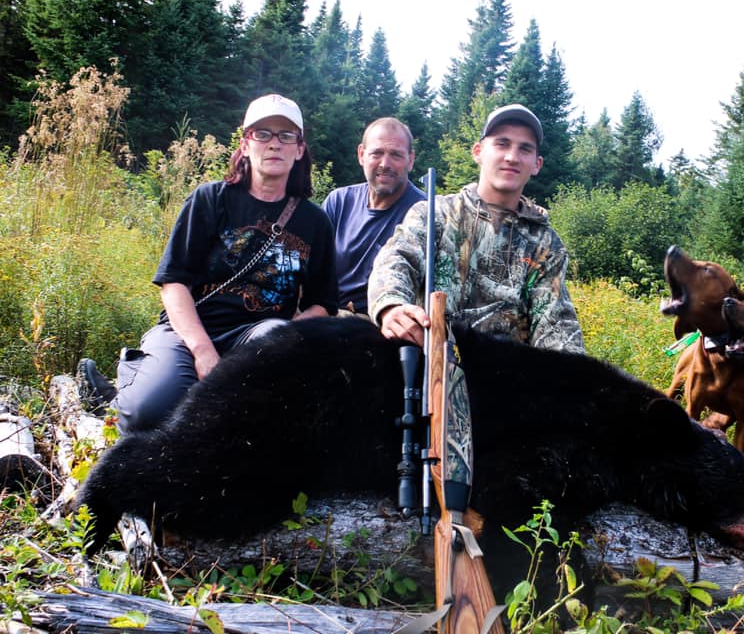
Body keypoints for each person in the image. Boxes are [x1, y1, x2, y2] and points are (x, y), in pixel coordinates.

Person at [80, 94, 338, 434]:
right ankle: (121, 391)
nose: (274, 144)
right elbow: (173, 283)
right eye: (262, 134)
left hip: (256, 338)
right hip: (189, 331)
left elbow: (324, 303)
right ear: (245, 144)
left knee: (247, 413)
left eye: (285, 136)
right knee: (146, 414)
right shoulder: (209, 199)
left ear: (299, 149)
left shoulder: (314, 222)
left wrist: (288, 335)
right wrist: (202, 351)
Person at [367, 103, 584, 353]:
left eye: (524, 149)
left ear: (536, 164)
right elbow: (396, 260)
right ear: (478, 152)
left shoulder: (545, 245)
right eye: (502, 144)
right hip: (427, 365)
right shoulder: (434, 214)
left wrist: (571, 376)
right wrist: (391, 306)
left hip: (501, 381)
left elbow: (556, 326)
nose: (512, 157)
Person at [321, 118, 424, 316]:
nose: (385, 164)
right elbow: (312, 266)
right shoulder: (339, 201)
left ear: (410, 160)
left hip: (382, 323)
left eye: (396, 155)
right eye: (377, 153)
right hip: (327, 313)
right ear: (361, 154)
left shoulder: (425, 213)